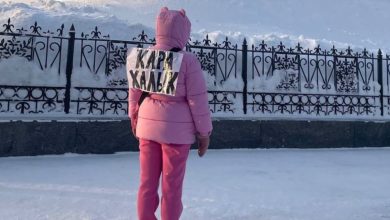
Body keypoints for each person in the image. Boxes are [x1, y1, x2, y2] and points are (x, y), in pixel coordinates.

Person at [126, 7, 213, 220]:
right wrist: (204, 133)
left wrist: (134, 117)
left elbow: (134, 93)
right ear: (183, 32)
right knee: (171, 186)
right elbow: (198, 101)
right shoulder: (188, 61)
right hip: (177, 133)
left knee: (146, 183)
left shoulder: (142, 56)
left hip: (147, 128)